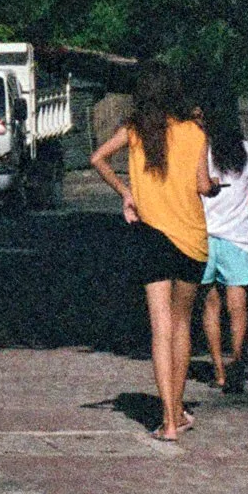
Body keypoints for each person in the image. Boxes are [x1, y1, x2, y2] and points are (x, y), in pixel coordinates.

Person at [89, 62, 215, 441]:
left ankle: (169, 423)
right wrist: (213, 189)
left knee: (160, 328)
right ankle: (177, 408)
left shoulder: (135, 130)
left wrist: (127, 193)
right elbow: (202, 185)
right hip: (192, 239)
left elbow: (97, 159)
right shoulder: (196, 132)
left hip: (150, 236)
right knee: (182, 325)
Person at [196, 80, 248, 396]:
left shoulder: (201, 153)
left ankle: (219, 370)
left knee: (210, 304)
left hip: (204, 235)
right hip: (240, 237)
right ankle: (237, 361)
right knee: (238, 306)